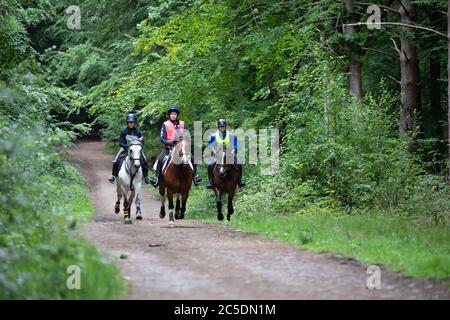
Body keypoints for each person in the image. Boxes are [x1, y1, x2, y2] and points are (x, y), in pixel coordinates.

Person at [149, 105, 202, 187]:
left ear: (177, 115)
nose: (173, 115)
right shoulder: (165, 124)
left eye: (175, 114)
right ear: (169, 115)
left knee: (191, 158)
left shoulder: (182, 124)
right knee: (160, 159)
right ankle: (157, 178)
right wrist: (170, 143)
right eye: (172, 114)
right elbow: (162, 138)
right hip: (169, 148)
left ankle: (195, 176)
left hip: (181, 147)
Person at [108, 113, 151, 184]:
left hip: (136, 150)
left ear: (134, 123)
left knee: (145, 160)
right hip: (125, 149)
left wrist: (139, 147)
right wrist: (127, 147)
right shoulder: (124, 131)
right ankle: (113, 175)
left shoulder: (138, 132)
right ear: (127, 123)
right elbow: (121, 143)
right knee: (116, 159)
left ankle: (146, 177)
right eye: (129, 122)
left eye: (132, 122)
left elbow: (142, 142)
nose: (131, 124)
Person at [206, 119, 245, 189]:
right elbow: (210, 145)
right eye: (220, 126)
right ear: (218, 127)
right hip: (217, 153)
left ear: (225, 127)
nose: (222, 128)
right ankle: (210, 181)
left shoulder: (231, 135)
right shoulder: (213, 135)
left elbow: (236, 145)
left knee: (239, 163)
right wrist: (213, 150)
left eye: (223, 126)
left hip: (229, 153)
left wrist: (233, 150)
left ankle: (240, 180)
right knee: (210, 164)